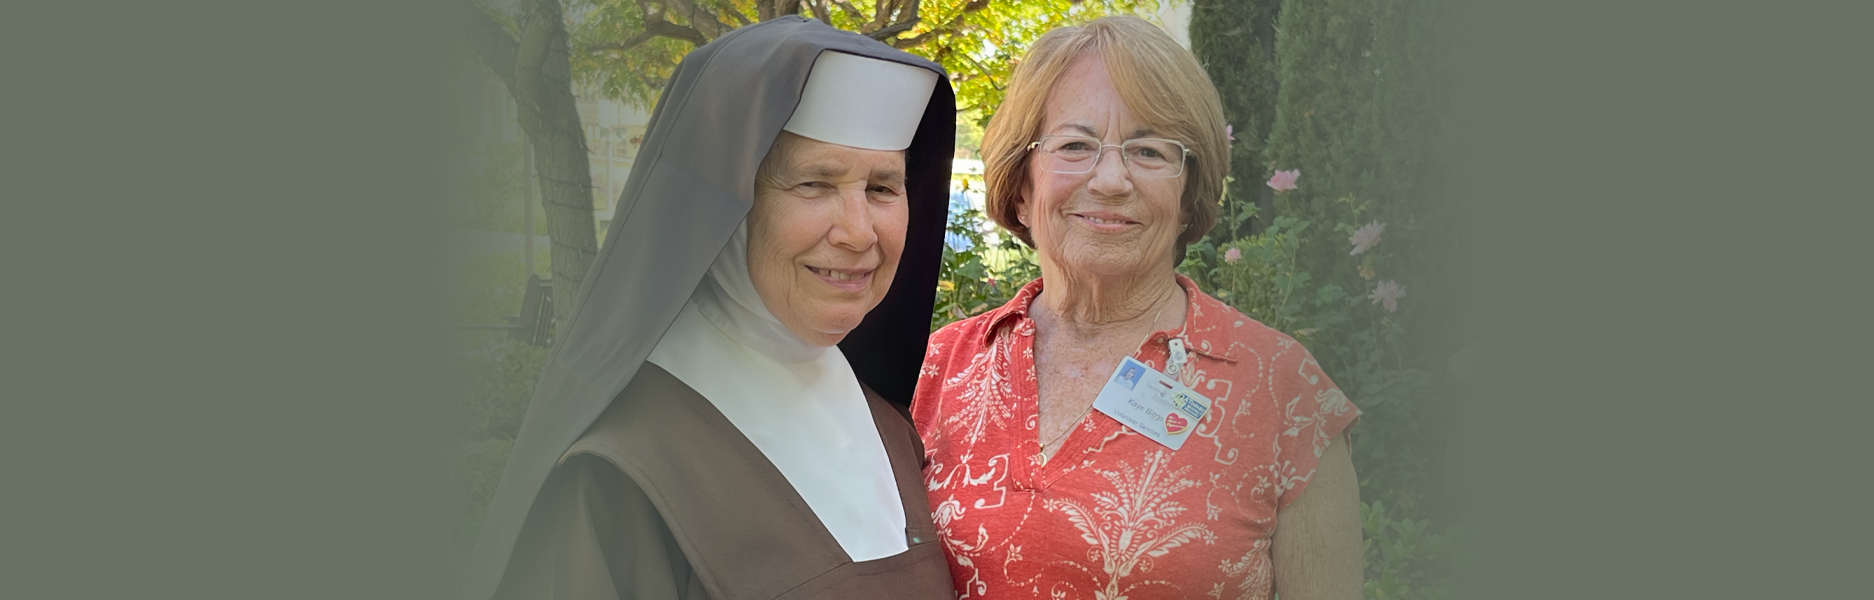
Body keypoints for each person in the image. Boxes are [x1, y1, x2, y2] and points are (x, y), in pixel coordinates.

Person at [459, 17, 959, 600]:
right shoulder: (620, 471)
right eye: (814, 184)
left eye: (881, 188)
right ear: (723, 207)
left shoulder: (889, 427)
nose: (858, 232)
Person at [911, 17, 1363, 600]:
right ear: (1022, 188)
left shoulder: (1284, 395)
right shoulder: (938, 368)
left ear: (1186, 191)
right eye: (1075, 145)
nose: (1111, 179)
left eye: (1148, 151)